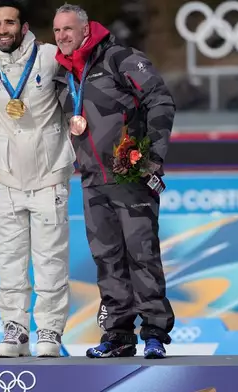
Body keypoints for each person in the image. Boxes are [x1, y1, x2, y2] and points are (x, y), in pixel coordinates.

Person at [51, 4, 176, 359]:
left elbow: (160, 99)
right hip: (92, 180)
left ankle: (154, 332)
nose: (62, 37)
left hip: (132, 175)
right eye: (57, 31)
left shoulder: (119, 58)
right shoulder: (63, 72)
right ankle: (118, 335)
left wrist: (152, 154)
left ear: (86, 30)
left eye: (69, 29)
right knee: (107, 260)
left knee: (142, 255)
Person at [0, 0, 76, 357]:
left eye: (10, 23)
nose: (3, 29)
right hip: (6, 178)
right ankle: (15, 330)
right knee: (9, 262)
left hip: (49, 176)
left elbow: (79, 86)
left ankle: (48, 331)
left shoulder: (49, 57)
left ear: (25, 27)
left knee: (51, 260)